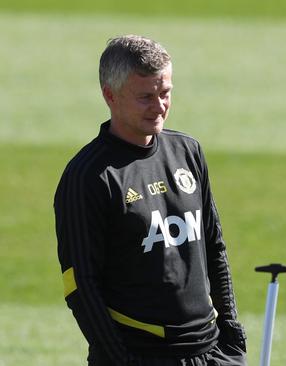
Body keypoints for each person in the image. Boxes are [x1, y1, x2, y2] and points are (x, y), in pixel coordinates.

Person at [54, 35, 247, 366]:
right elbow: (81, 286)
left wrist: (233, 339)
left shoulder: (188, 152)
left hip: (212, 352)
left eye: (165, 93)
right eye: (145, 97)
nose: (159, 106)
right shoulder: (88, 176)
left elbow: (214, 248)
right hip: (142, 356)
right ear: (110, 95)